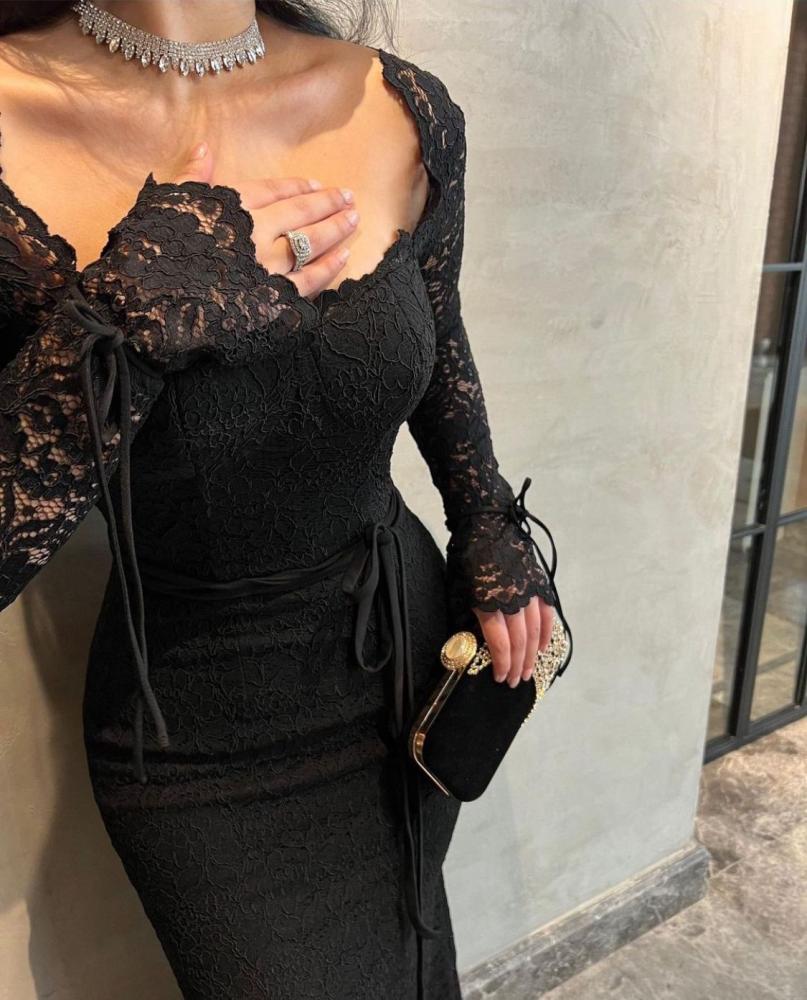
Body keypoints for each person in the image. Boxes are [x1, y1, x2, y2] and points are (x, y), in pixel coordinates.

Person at [0, 2, 564, 998]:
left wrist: (487, 525)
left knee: (415, 956)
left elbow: (436, 337)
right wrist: (127, 319)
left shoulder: (399, 103)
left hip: (405, 656)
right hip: (199, 731)